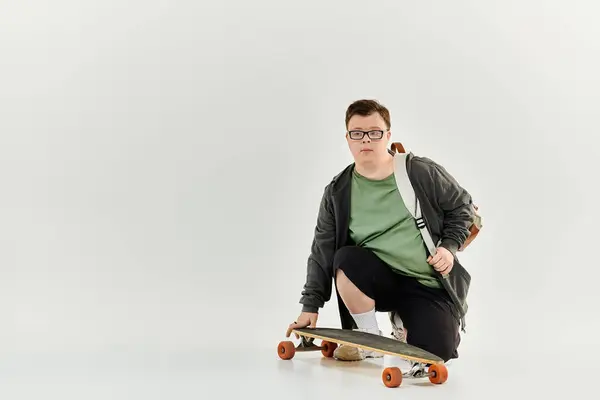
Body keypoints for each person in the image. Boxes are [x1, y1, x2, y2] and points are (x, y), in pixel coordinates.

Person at [285, 99, 475, 369]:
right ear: (348, 139)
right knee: (344, 258)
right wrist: (310, 306)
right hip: (378, 281)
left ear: (387, 135)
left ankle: (404, 323)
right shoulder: (338, 191)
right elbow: (321, 251)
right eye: (357, 133)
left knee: (437, 352)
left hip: (425, 283)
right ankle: (368, 337)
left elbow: (462, 207)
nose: (366, 140)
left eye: (374, 132)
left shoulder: (418, 171)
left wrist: (448, 247)